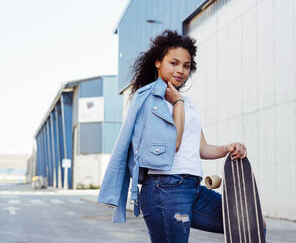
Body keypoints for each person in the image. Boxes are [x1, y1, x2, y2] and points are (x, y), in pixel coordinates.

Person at [98, 30, 262, 243]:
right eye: (174, 63)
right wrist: (177, 103)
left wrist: (228, 148)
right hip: (164, 189)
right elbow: (172, 144)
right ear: (158, 62)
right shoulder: (149, 99)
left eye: (186, 65)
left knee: (252, 224)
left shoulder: (187, 103)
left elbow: (201, 148)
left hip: (193, 189)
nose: (181, 70)